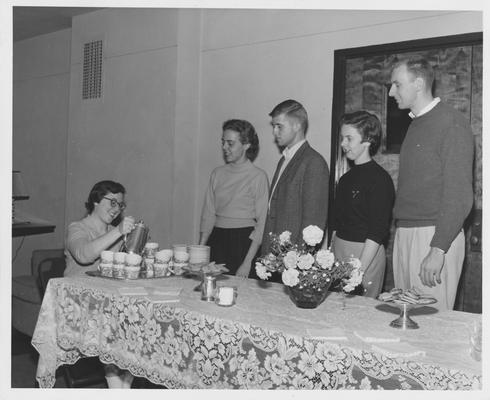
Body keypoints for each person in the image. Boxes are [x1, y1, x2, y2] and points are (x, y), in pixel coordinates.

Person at [389, 56, 474, 310]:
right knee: (405, 319)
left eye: (397, 84)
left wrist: (438, 249)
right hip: (406, 233)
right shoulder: (415, 123)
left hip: (433, 237)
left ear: (418, 83)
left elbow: (459, 194)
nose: (392, 92)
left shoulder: (451, 122)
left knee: (430, 325)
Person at [64, 180, 136, 388]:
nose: (116, 209)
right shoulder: (77, 228)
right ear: (96, 200)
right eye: (111, 202)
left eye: (120, 205)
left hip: (106, 300)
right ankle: (118, 386)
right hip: (79, 303)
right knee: (115, 322)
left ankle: (124, 385)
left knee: (142, 319)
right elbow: (84, 255)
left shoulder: (118, 231)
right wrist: (118, 232)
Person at [323, 111, 395, 298]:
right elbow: (337, 224)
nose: (342, 144)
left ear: (368, 140)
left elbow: (377, 230)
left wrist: (359, 270)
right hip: (340, 250)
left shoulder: (380, 179)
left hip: (366, 254)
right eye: (342, 138)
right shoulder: (345, 179)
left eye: (349, 138)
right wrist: (329, 255)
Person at [262, 99, 329, 274]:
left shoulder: (314, 162)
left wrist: (295, 264)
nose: (275, 132)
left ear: (297, 125)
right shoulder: (284, 160)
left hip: (293, 266)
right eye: (273, 127)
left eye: (279, 126)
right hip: (274, 259)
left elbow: (312, 224)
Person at [200, 119, 269, 277]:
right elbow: (208, 215)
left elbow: (263, 223)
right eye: (223, 142)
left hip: (244, 244)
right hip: (217, 241)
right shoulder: (217, 174)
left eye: (230, 143)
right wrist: (201, 253)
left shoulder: (258, 176)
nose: (224, 147)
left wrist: (247, 262)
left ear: (246, 145)